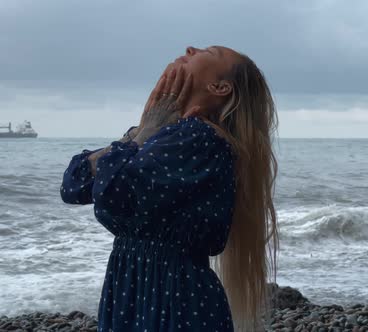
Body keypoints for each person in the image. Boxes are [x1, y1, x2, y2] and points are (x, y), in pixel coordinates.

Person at [60, 45, 279, 332]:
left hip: (171, 296)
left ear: (219, 87)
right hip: (138, 288)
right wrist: (139, 133)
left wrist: (139, 135)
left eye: (208, 53)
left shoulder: (200, 139)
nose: (190, 48)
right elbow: (73, 186)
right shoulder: (164, 135)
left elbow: (113, 195)